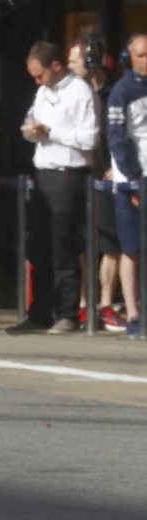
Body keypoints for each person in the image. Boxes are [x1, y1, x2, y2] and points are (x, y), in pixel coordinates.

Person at [14, 41, 99, 334]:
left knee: (64, 244)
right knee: (38, 244)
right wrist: (31, 130)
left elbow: (89, 138)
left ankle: (67, 312)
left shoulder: (80, 91)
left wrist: (51, 131)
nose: (37, 81)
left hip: (67, 172)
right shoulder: (43, 92)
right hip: (42, 170)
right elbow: (31, 124)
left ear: (56, 66)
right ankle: (39, 312)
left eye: (40, 75)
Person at [70, 38, 127, 331]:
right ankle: (83, 303)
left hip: (106, 176)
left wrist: (115, 167)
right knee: (80, 241)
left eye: (74, 61)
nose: (70, 67)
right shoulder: (70, 93)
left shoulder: (113, 94)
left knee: (111, 241)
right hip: (78, 172)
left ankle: (105, 303)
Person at [106, 33, 147, 339]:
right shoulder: (122, 91)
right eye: (141, 55)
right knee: (131, 249)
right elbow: (117, 139)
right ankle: (133, 314)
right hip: (131, 179)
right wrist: (133, 180)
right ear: (129, 58)